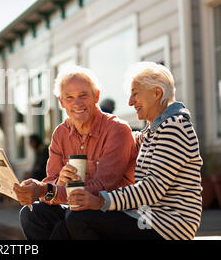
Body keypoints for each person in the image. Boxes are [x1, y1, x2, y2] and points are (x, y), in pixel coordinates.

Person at [65, 62, 203, 240]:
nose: (130, 102)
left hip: (168, 226)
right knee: (66, 219)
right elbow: (120, 139)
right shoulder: (153, 131)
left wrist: (100, 200)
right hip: (147, 217)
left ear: (157, 93)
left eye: (135, 94)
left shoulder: (174, 127)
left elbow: (152, 188)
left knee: (79, 218)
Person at [13, 66, 139, 240]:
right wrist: (57, 184)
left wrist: (49, 190)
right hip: (77, 210)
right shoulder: (60, 133)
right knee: (31, 214)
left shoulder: (117, 130)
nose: (77, 103)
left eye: (83, 95)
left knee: (73, 219)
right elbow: (51, 182)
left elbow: (103, 187)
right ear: (62, 102)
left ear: (96, 96)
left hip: (113, 211)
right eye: (69, 97)